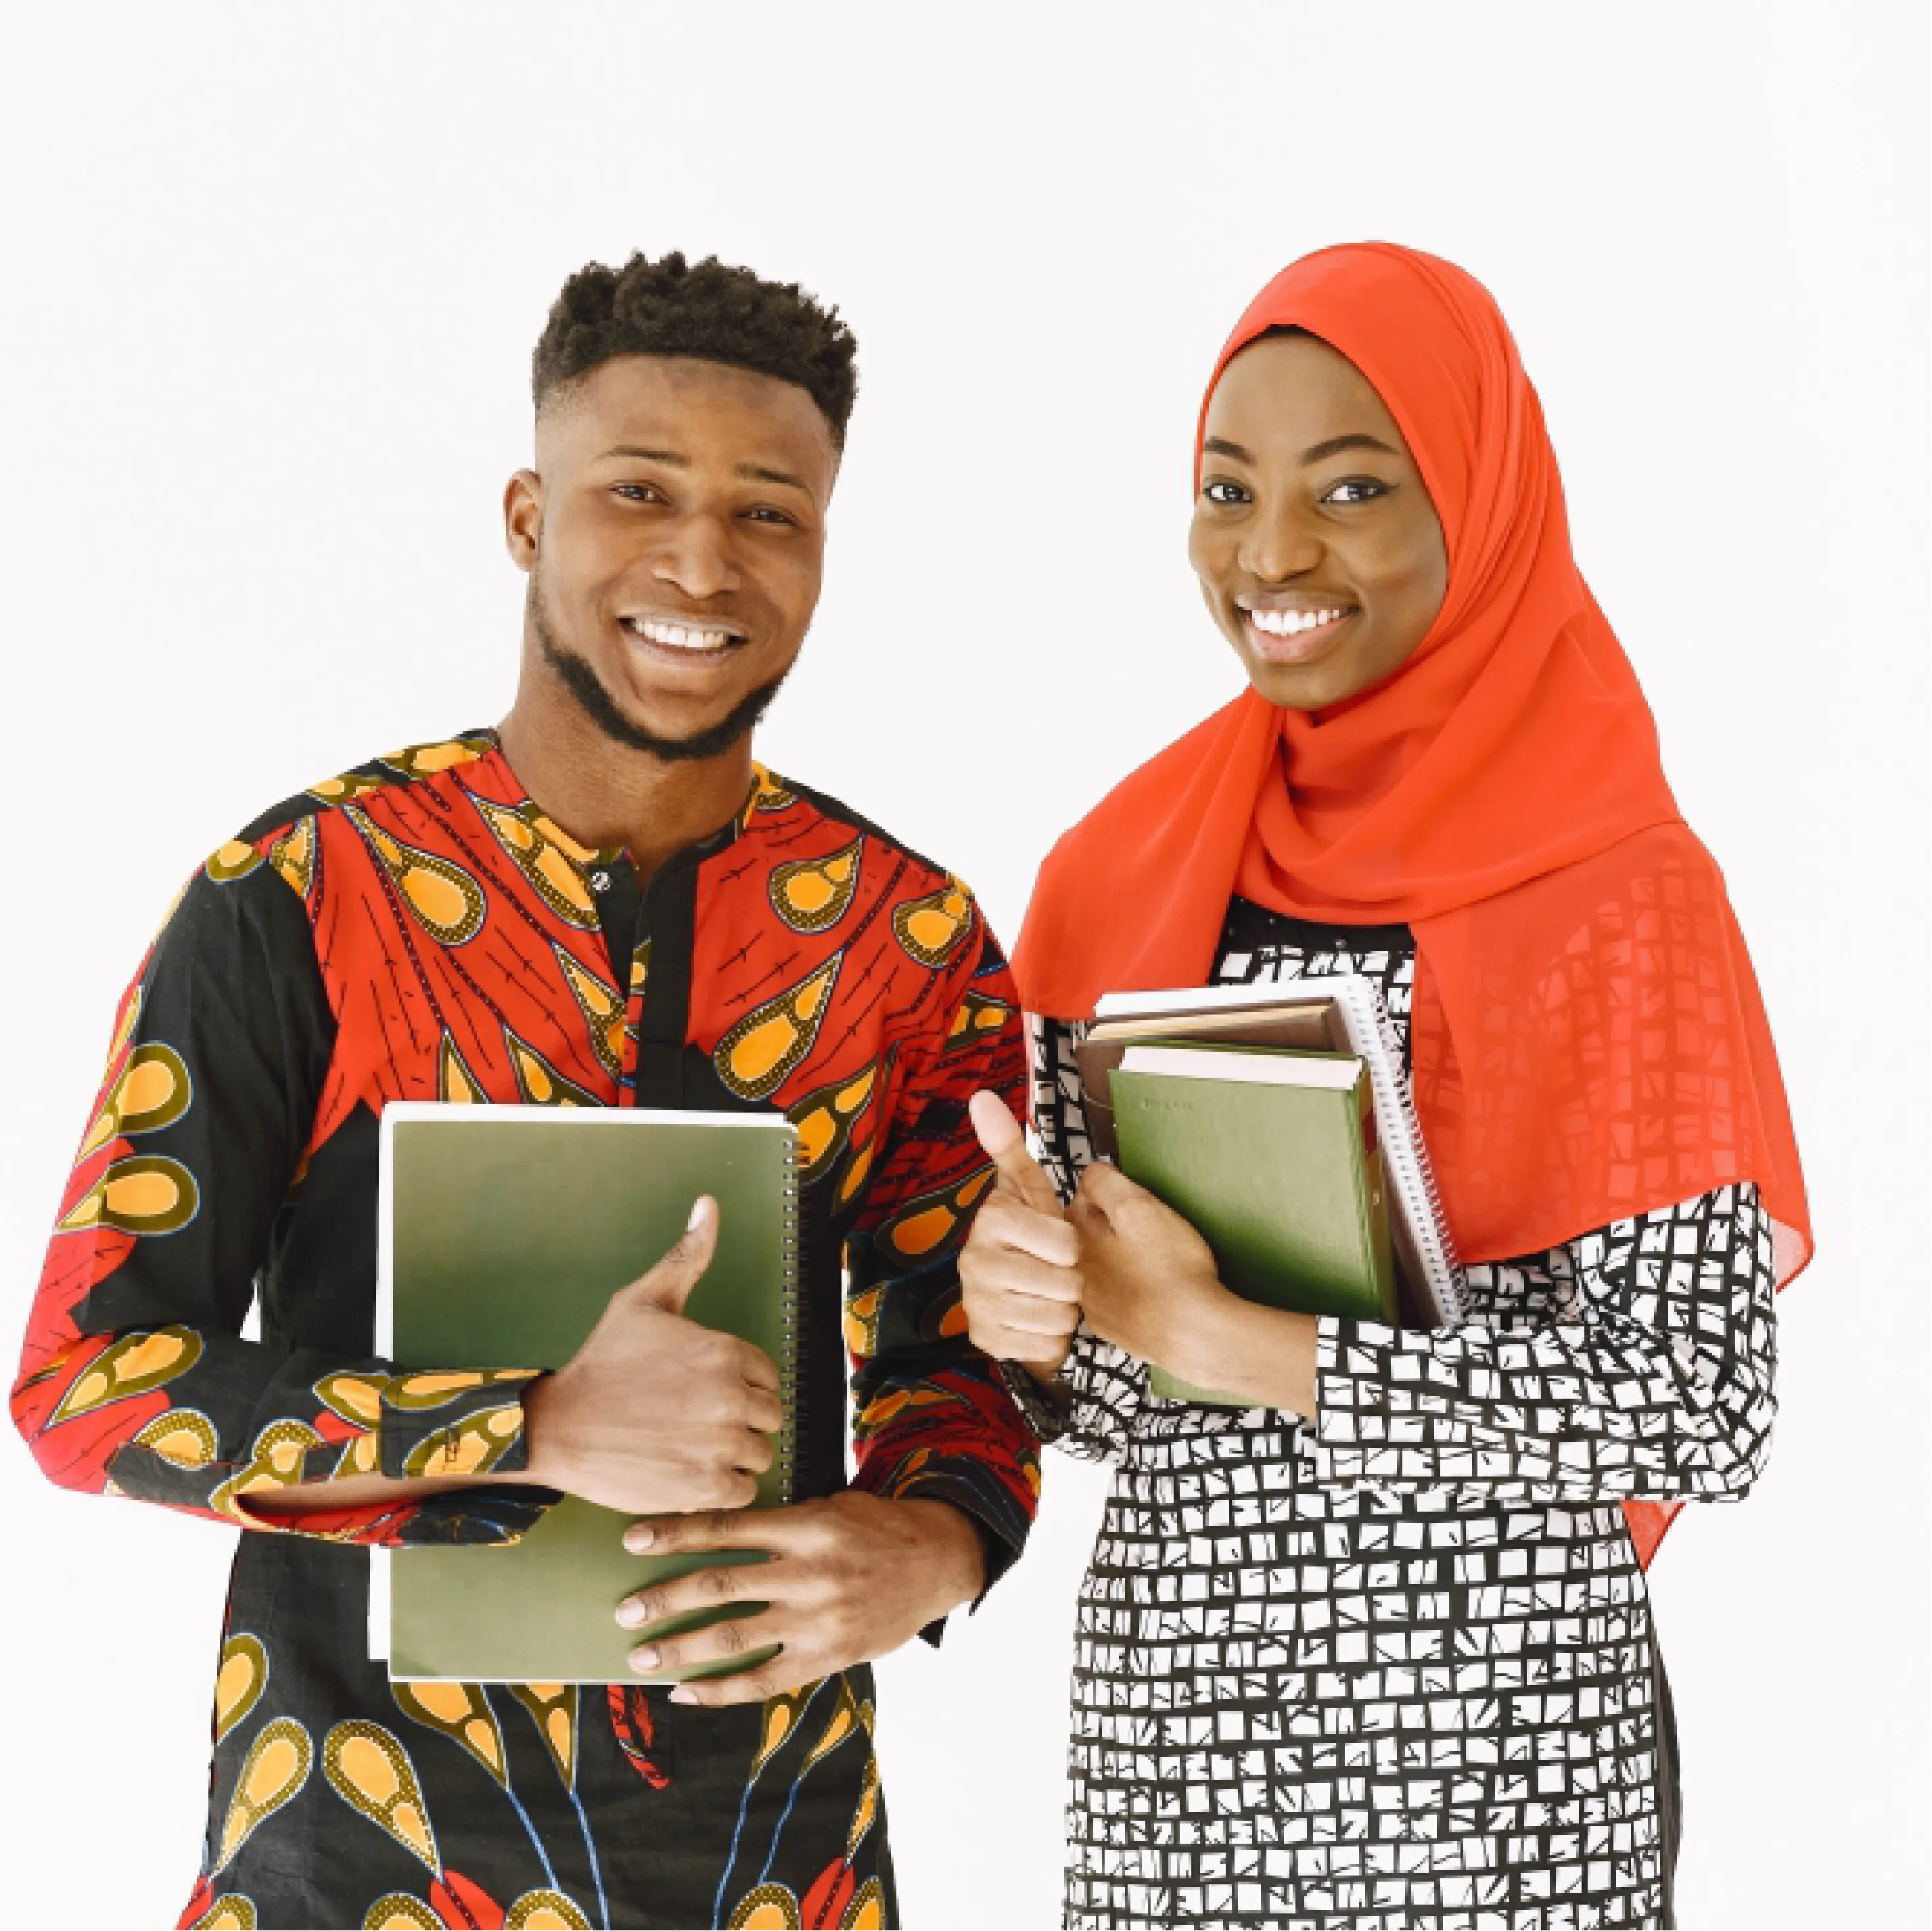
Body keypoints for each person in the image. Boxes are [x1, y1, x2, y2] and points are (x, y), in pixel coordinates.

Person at [12, 251, 1039, 1931]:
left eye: (769, 512)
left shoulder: (903, 937)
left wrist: (936, 1542)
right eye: (637, 489)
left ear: (825, 551)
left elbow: (964, 1356)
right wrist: (529, 1426)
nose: (700, 560)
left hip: (777, 1856)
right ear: (525, 514)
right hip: (355, 1854)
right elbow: (88, 1384)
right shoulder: (305, 893)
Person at [959, 242, 1810, 1931]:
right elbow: (1108, 1409)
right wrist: (1033, 1311)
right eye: (1227, 490)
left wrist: (1231, 1340)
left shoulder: (1623, 892)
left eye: (1351, 487)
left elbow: (1702, 1401)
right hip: (1180, 1764)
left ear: (1480, 499)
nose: (1271, 553)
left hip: (1510, 1780)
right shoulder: (1121, 876)